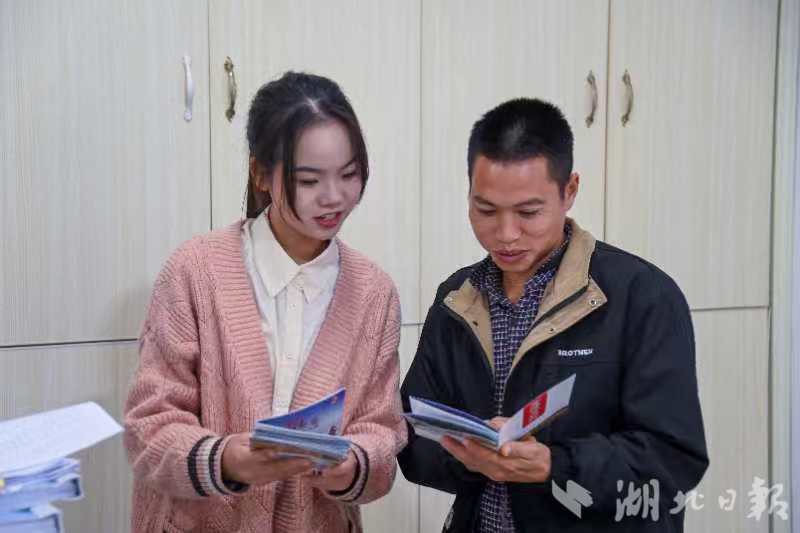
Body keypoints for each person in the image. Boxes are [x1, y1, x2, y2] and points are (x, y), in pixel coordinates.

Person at [398, 98, 708, 532]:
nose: (506, 234)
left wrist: (553, 464)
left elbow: (673, 460)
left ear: (570, 191)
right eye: (485, 210)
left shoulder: (642, 296)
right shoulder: (457, 298)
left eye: (529, 212)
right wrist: (470, 458)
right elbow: (412, 439)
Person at [124, 72, 406, 533]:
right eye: (309, 180)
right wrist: (224, 460)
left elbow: (382, 432)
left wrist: (353, 465)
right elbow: (147, 429)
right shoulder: (195, 271)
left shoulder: (375, 294)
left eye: (349, 174)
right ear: (261, 174)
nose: (334, 197)